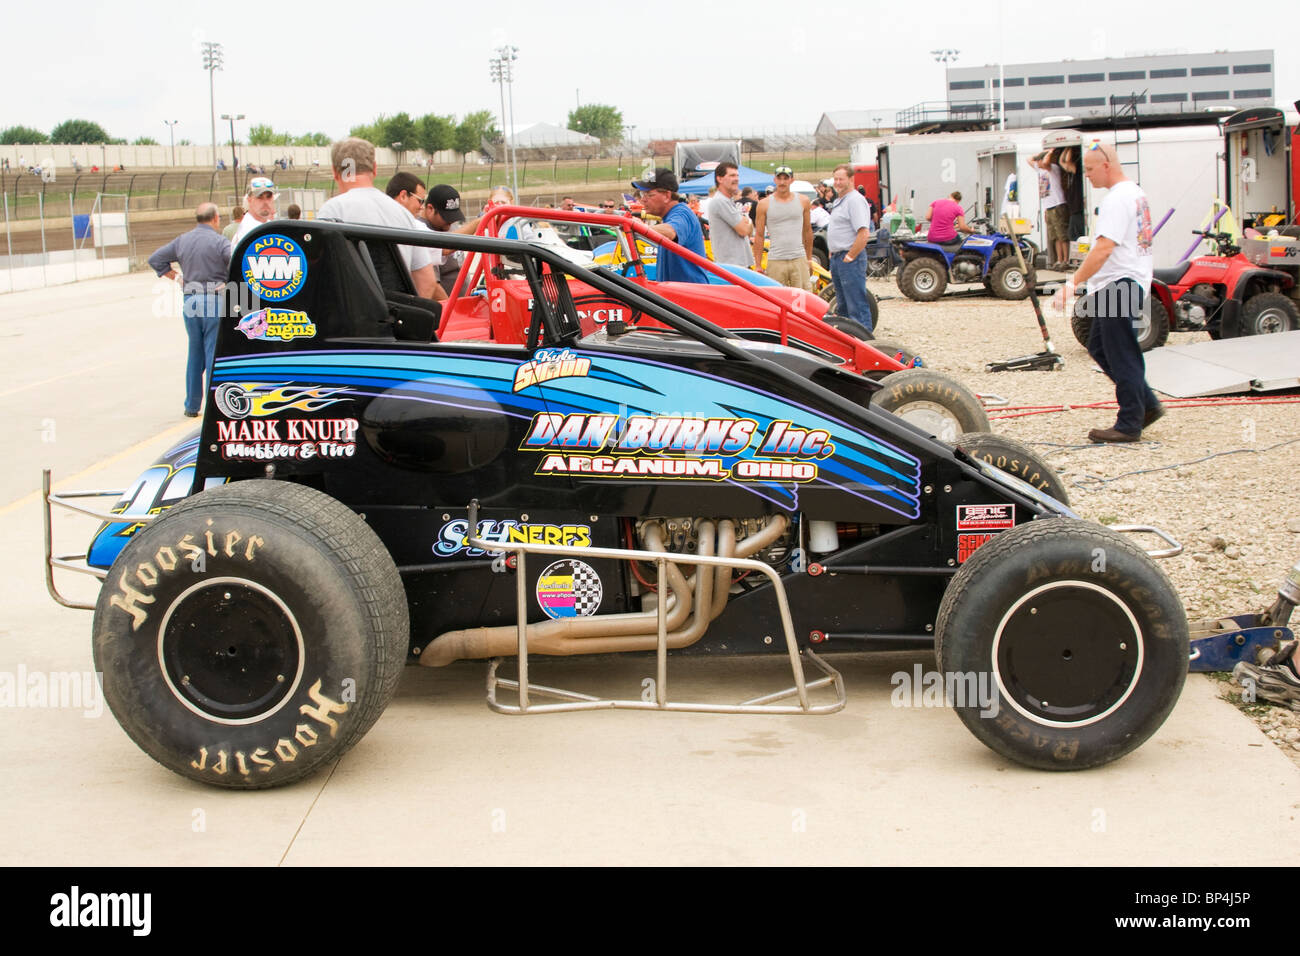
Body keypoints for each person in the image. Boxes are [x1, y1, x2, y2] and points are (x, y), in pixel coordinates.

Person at [1053, 142, 1162, 443]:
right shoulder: (1135, 193)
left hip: (1121, 282)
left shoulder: (1117, 199)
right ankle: (1147, 405)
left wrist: (1071, 283)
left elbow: (1103, 249)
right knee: (1099, 345)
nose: (1085, 175)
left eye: (1088, 169)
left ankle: (1129, 423)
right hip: (1127, 280)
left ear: (1106, 165)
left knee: (1120, 351)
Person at [315, 137, 439, 299]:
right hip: (394, 317)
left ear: (334, 172)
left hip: (350, 318)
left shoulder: (332, 211)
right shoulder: (402, 214)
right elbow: (427, 281)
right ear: (374, 169)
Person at [147, 203, 232, 418]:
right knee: (213, 353)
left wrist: (177, 277)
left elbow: (155, 259)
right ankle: (215, 405)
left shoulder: (182, 240)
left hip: (190, 301)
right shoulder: (220, 242)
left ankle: (192, 406)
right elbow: (237, 262)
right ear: (215, 219)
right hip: (214, 300)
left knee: (195, 353)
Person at [631, 167, 708, 283]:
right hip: (679, 295)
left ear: (667, 196)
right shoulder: (671, 215)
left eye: (649, 195)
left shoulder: (682, 213)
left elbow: (670, 232)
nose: (643, 200)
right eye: (643, 194)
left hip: (689, 296)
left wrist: (639, 227)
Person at [827, 163, 874, 333]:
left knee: (856, 304)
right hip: (838, 258)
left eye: (841, 179)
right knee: (843, 305)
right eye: (835, 179)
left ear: (851, 179)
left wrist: (850, 256)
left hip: (849, 259)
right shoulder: (840, 200)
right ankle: (849, 340)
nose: (837, 182)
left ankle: (864, 340)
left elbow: (863, 233)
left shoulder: (855, 200)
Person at [753, 165, 812, 289]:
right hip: (776, 260)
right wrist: (757, 264)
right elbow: (759, 235)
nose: (782, 182)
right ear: (775, 180)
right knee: (776, 299)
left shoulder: (803, 201)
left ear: (792, 180)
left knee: (802, 299)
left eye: (786, 178)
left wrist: (809, 258)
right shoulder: (764, 204)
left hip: (798, 258)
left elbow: (807, 231)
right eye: (779, 179)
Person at [705, 162, 754, 267]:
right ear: (720, 179)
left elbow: (748, 231)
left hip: (737, 265)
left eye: (737, 175)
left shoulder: (728, 201)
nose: (736, 179)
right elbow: (744, 230)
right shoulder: (720, 201)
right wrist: (748, 220)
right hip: (732, 267)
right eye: (732, 175)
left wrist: (746, 223)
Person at [1040, 149, 1069, 269]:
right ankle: (1059, 259)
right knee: (1055, 237)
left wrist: (1049, 152)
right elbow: (1029, 160)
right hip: (1049, 206)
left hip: (1058, 204)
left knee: (1062, 235)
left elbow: (1046, 163)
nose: (1039, 163)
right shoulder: (1041, 170)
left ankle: (1066, 260)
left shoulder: (1053, 168)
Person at [232, 176, 278, 245]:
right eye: (260, 197)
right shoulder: (249, 229)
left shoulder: (266, 224)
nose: (265, 202)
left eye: (269, 197)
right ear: (249, 200)